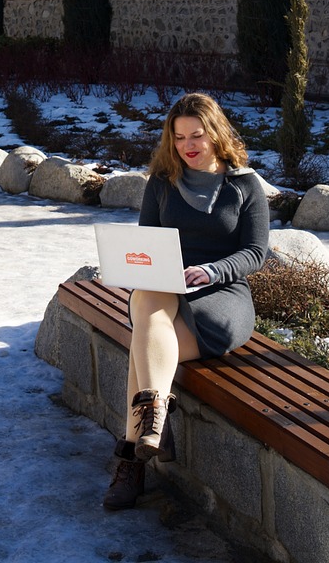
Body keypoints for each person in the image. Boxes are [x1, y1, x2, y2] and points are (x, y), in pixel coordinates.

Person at [103, 91, 269, 511]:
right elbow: (146, 243)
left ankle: (132, 458)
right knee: (147, 302)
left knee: (146, 346)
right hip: (165, 285)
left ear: (216, 133)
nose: (188, 146)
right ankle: (154, 422)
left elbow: (256, 253)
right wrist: (131, 268)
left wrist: (213, 270)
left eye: (196, 135)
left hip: (222, 295)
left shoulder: (246, 186)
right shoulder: (161, 184)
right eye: (178, 138)